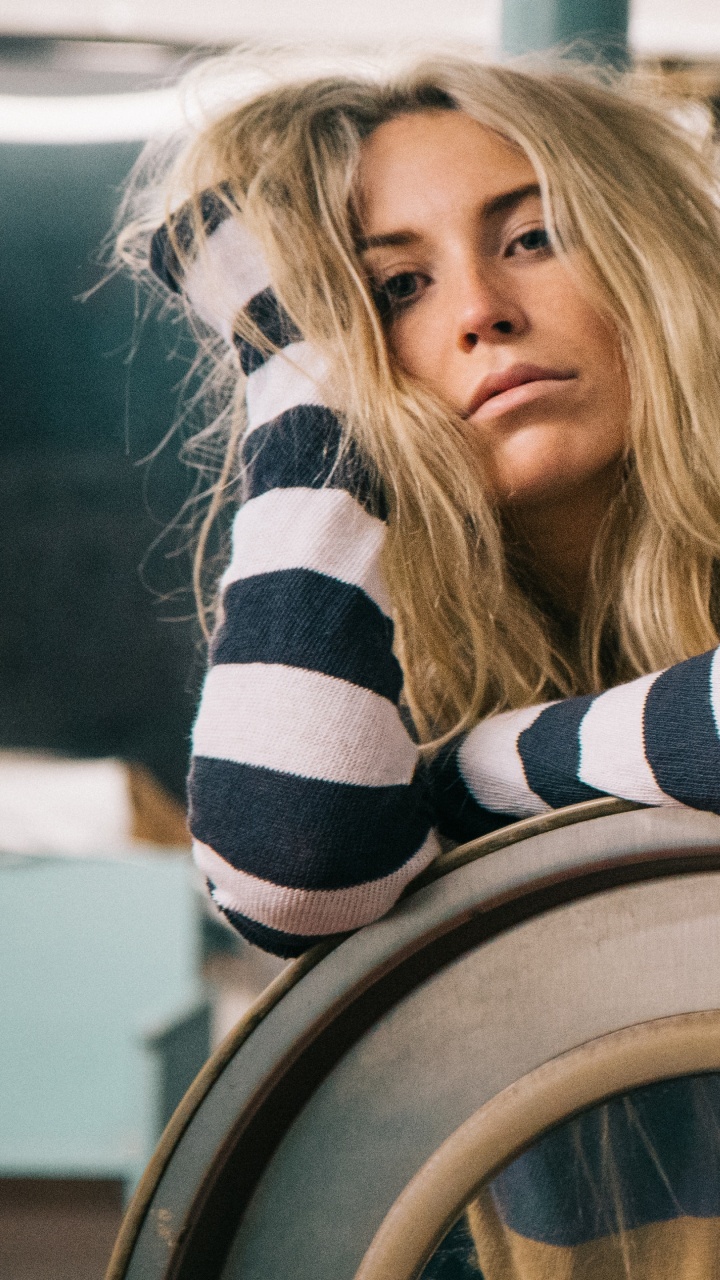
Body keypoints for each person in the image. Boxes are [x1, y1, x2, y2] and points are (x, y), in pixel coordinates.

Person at [117, 53, 720, 1276]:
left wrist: (471, 778)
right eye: (395, 287)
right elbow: (292, 868)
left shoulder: (430, 775)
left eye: (536, 236)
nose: (481, 310)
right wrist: (301, 392)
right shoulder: (367, 710)